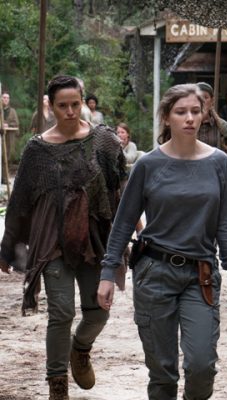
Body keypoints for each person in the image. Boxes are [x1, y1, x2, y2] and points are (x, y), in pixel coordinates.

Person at [96, 84, 227, 400]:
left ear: (204, 115)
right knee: (162, 372)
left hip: (200, 274)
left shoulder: (219, 162)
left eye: (195, 111)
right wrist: (108, 272)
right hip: (154, 272)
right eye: (181, 112)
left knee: (201, 366)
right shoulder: (148, 164)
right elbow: (124, 221)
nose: (189, 118)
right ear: (166, 117)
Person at [0, 75, 125, 399]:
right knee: (61, 312)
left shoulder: (103, 140)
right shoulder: (38, 150)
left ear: (83, 103)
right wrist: (7, 248)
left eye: (75, 104)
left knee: (98, 311)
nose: (70, 111)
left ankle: (80, 349)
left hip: (93, 239)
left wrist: (125, 231)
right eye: (62, 105)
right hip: (51, 240)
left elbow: (119, 188)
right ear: (51, 107)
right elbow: (20, 202)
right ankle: (57, 384)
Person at [196, 82, 227, 181]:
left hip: (216, 180)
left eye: (205, 97)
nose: (202, 101)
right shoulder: (186, 126)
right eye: (198, 98)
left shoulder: (224, 129)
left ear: (212, 100)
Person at [1, 91, 20, 163]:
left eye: (7, 98)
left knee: (8, 154)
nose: (6, 99)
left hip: (9, 136)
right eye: (4, 97)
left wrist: (8, 125)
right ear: (1, 99)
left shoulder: (12, 111)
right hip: (0, 135)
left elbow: (16, 123)